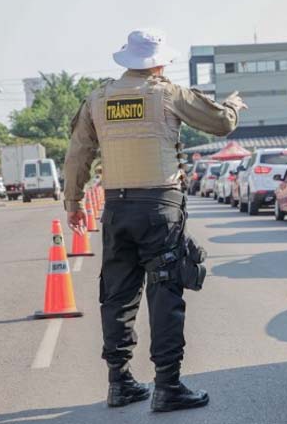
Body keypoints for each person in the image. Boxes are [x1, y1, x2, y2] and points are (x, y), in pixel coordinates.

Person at [63, 29, 246, 412]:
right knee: (164, 292)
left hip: (116, 208)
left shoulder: (98, 99)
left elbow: (78, 152)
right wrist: (231, 105)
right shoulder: (167, 93)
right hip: (159, 208)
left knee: (117, 295)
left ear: (126, 61)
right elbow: (221, 124)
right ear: (158, 62)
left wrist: (73, 202)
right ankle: (167, 385)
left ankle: (120, 382)